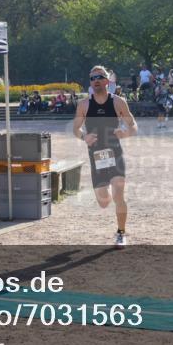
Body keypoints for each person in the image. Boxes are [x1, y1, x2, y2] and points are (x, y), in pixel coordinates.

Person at [73, 65, 137, 248]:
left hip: (115, 153)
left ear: (107, 81)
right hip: (96, 157)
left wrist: (125, 133)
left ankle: (121, 233)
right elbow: (75, 129)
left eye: (100, 77)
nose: (96, 80)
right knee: (103, 202)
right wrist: (84, 136)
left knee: (119, 196)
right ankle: (106, 192)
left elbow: (133, 126)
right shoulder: (84, 105)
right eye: (93, 78)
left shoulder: (118, 102)